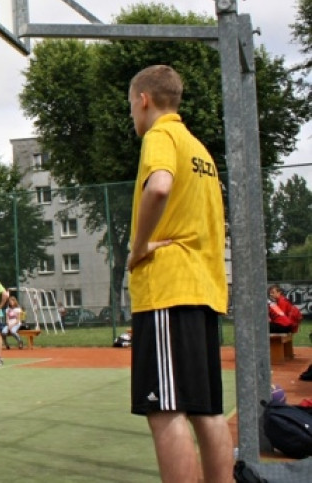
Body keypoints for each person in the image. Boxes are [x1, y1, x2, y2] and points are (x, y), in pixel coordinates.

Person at [126, 64, 233, 482]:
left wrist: (139, 248)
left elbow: (159, 186)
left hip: (169, 290)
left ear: (144, 100)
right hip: (204, 289)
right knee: (207, 410)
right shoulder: (199, 149)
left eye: (131, 105)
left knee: (165, 409)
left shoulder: (161, 135)